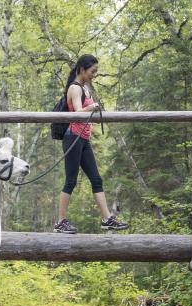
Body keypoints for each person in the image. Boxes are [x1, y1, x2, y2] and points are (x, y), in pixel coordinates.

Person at [53, 54, 129, 234]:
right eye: (92, 71)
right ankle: (60, 222)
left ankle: (107, 219)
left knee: (96, 179)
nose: (94, 74)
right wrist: (92, 106)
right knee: (70, 181)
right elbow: (78, 112)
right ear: (82, 69)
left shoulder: (85, 87)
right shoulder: (75, 88)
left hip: (83, 138)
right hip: (73, 138)